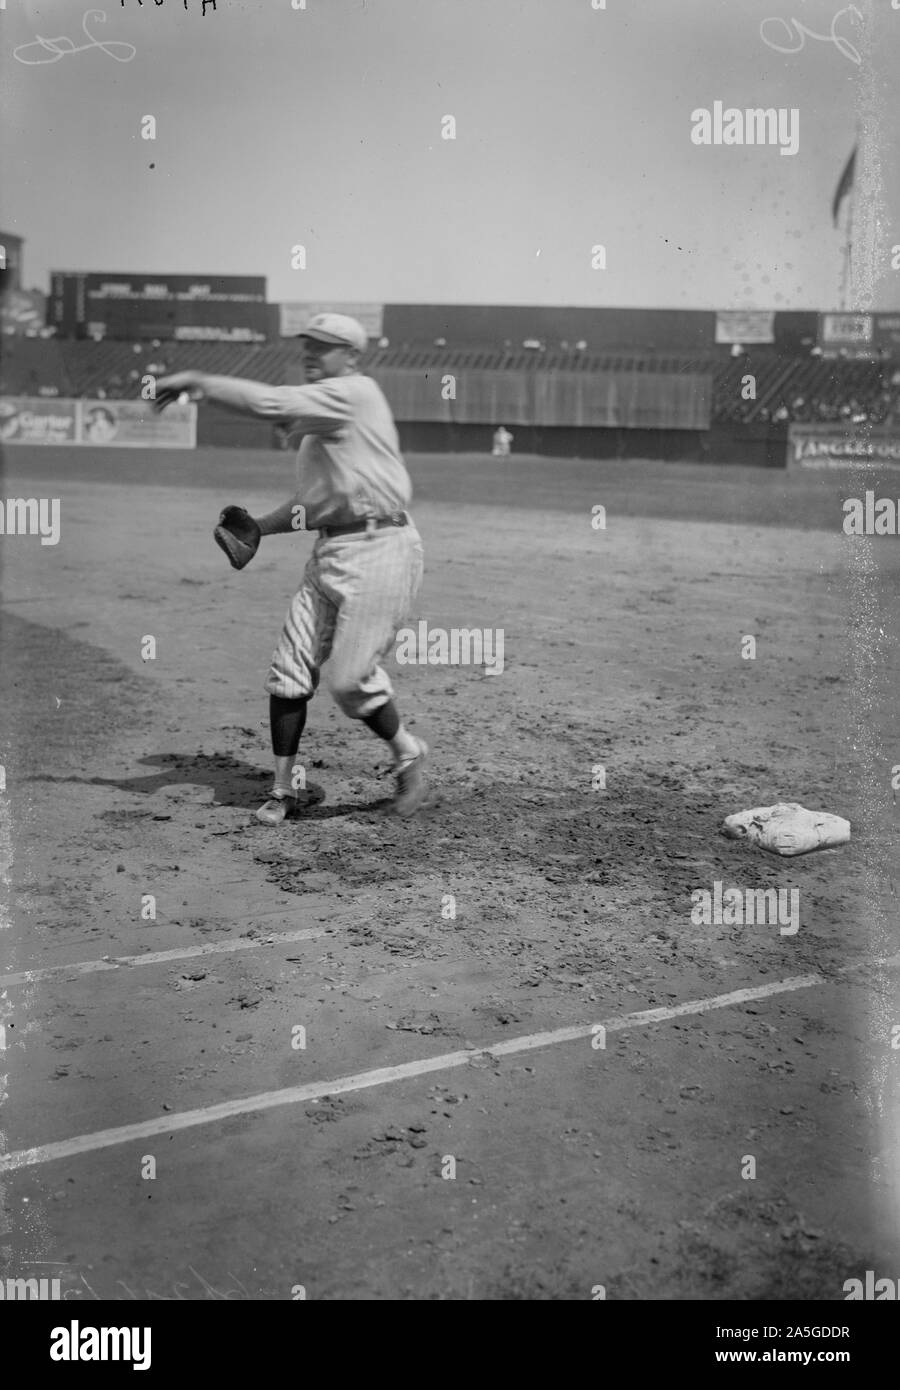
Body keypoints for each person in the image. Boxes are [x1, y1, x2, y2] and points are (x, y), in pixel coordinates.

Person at [154, 312, 428, 825]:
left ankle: (408, 753)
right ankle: (283, 788)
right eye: (307, 343)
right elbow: (313, 506)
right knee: (288, 668)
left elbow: (271, 403)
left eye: (324, 345)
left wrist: (199, 383)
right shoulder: (316, 430)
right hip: (332, 552)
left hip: (383, 550)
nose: (310, 351)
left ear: (351, 355)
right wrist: (260, 526)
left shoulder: (355, 392)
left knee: (348, 684)